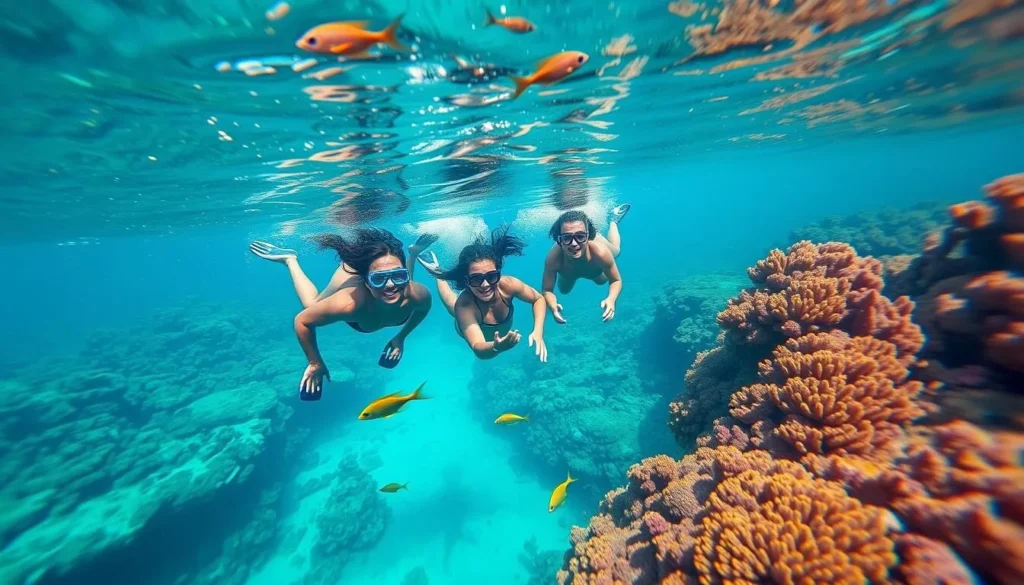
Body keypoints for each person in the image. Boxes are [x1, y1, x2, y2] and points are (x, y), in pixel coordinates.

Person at [249, 230, 435, 400]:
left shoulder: (418, 295)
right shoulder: (349, 304)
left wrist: (401, 337)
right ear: (367, 282)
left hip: (389, 282)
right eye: (377, 280)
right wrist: (315, 362)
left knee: (401, 287)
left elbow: (421, 308)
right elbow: (302, 321)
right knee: (312, 304)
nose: (389, 285)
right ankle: (290, 259)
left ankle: (412, 254)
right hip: (351, 277)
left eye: (399, 275)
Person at [417, 226, 549, 362]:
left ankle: (439, 272)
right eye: (476, 279)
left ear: (499, 273)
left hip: (481, 318)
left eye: (491, 276)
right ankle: (437, 272)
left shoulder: (508, 285)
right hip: (468, 316)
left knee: (454, 304)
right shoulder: (464, 306)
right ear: (466, 281)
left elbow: (538, 299)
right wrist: (496, 347)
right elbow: (478, 347)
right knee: (451, 303)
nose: (485, 285)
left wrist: (538, 331)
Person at [541, 204, 630, 324]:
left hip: (594, 267)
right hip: (568, 274)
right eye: (567, 238)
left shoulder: (601, 253)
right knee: (564, 290)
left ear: (588, 236)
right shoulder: (553, 258)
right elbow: (547, 289)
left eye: (580, 236)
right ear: (559, 239)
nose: (573, 243)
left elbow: (615, 280)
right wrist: (552, 306)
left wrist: (611, 299)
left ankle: (613, 220)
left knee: (615, 253)